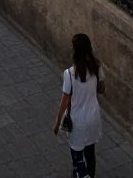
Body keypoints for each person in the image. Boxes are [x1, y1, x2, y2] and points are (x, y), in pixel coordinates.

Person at [53, 33, 105, 178]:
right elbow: (101, 90)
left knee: (78, 160)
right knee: (90, 154)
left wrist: (57, 123)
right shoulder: (97, 67)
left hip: (77, 122)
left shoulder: (69, 74)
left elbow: (64, 102)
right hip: (93, 118)